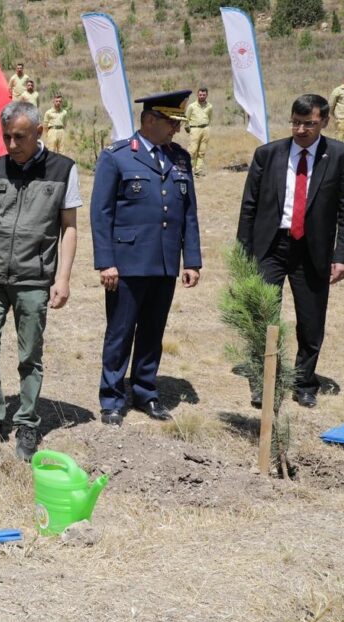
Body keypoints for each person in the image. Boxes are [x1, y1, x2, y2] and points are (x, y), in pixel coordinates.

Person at [0, 101, 80, 461]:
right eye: (6, 137)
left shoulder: (63, 170)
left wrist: (62, 277)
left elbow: (70, 228)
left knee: (30, 354)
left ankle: (27, 421)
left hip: (34, 278)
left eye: (20, 137)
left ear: (39, 132)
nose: (12, 145)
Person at [90, 90, 202, 426]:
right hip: (127, 263)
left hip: (165, 262)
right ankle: (111, 397)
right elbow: (101, 213)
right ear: (150, 120)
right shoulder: (118, 156)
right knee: (121, 332)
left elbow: (189, 213)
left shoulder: (179, 158)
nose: (176, 129)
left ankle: (145, 392)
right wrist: (106, 262)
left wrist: (192, 259)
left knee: (153, 332)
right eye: (171, 122)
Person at [237, 94, 344, 408]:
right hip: (270, 246)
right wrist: (242, 255)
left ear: (324, 121)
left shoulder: (340, 156)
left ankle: (304, 382)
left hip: (312, 250)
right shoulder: (268, 154)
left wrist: (342, 256)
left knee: (311, 321)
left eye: (309, 124)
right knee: (262, 315)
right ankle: (263, 382)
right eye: (296, 122)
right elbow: (249, 208)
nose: (301, 130)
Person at [184, 87, 213, 177]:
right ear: (197, 95)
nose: (202, 96)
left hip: (205, 129)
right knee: (192, 150)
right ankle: (189, 169)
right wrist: (187, 127)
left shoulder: (209, 106)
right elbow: (186, 118)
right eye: (200, 94)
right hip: (195, 129)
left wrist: (207, 127)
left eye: (204, 95)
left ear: (207, 95)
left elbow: (210, 117)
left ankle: (198, 170)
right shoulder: (192, 106)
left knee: (202, 151)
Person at [331, 72, 344, 141]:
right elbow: (331, 104)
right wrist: (335, 114)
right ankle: (338, 152)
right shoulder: (338, 90)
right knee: (339, 139)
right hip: (342, 118)